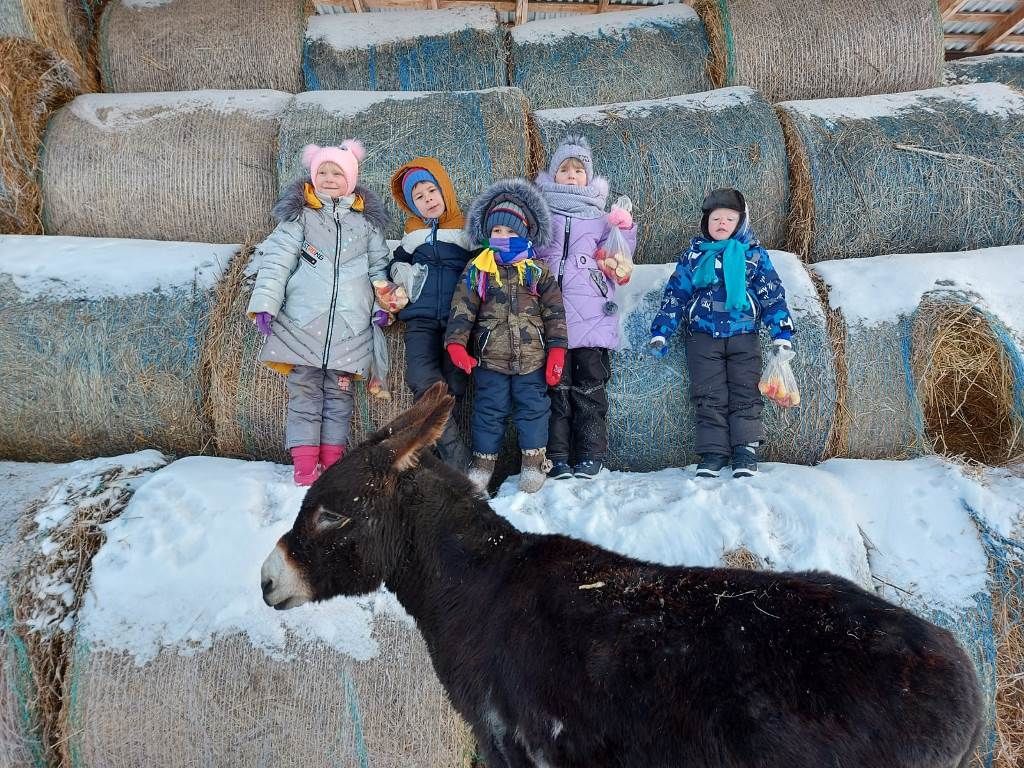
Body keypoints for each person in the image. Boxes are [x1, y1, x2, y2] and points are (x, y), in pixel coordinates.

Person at [248, 141, 401, 485]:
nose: (329, 178)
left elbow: (380, 270)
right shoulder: (300, 218)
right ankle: (304, 466)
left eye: (337, 172)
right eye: (322, 172)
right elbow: (277, 263)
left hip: (351, 327)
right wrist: (265, 304)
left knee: (339, 397)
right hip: (303, 322)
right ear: (312, 176)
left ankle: (331, 463)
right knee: (304, 394)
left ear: (351, 178)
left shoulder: (367, 226)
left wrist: (382, 307)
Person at [648, 188, 794, 478]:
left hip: (743, 335)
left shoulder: (753, 256)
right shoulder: (694, 256)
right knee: (708, 394)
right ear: (706, 223)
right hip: (702, 337)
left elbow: (772, 295)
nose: (722, 223)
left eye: (729, 218)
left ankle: (745, 451)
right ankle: (713, 453)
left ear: (740, 223)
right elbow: (676, 294)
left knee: (745, 392)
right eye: (716, 218)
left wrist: (781, 333)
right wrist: (662, 330)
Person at [445, 179, 568, 495]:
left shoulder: (536, 270)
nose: (503, 237)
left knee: (534, 409)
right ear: (488, 234)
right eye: (497, 231)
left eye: (511, 232)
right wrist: (456, 344)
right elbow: (463, 306)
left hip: (532, 359)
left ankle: (533, 462)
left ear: (525, 235)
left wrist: (556, 351)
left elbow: (555, 312)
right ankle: (483, 464)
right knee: (488, 411)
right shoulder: (479, 269)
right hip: (491, 359)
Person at [534, 135, 637, 480]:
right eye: (564, 169)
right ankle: (558, 456)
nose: (572, 175)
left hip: (592, 316)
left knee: (590, 390)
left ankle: (591, 454)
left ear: (589, 178)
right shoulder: (542, 213)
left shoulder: (600, 218)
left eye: (579, 170)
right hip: (551, 319)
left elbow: (618, 260)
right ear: (553, 175)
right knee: (556, 392)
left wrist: (624, 229)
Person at [388, 158, 475, 469]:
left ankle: (438, 455)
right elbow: (392, 266)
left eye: (431, 191)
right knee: (420, 377)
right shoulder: (411, 235)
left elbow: (486, 263)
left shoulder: (466, 229)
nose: (428, 200)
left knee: (456, 384)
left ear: (445, 190)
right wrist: (400, 278)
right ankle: (457, 458)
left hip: (458, 320)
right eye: (419, 197)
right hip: (421, 319)